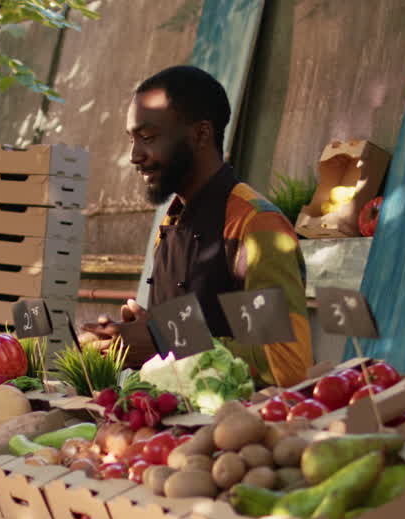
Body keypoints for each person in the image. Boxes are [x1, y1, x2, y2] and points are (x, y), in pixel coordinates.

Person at [84, 65, 313, 388]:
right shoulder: (171, 221)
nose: (135, 156)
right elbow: (191, 332)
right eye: (132, 139)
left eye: (148, 137)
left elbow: (284, 364)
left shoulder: (254, 227)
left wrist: (165, 342)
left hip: (236, 430)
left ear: (201, 134)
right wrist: (146, 330)